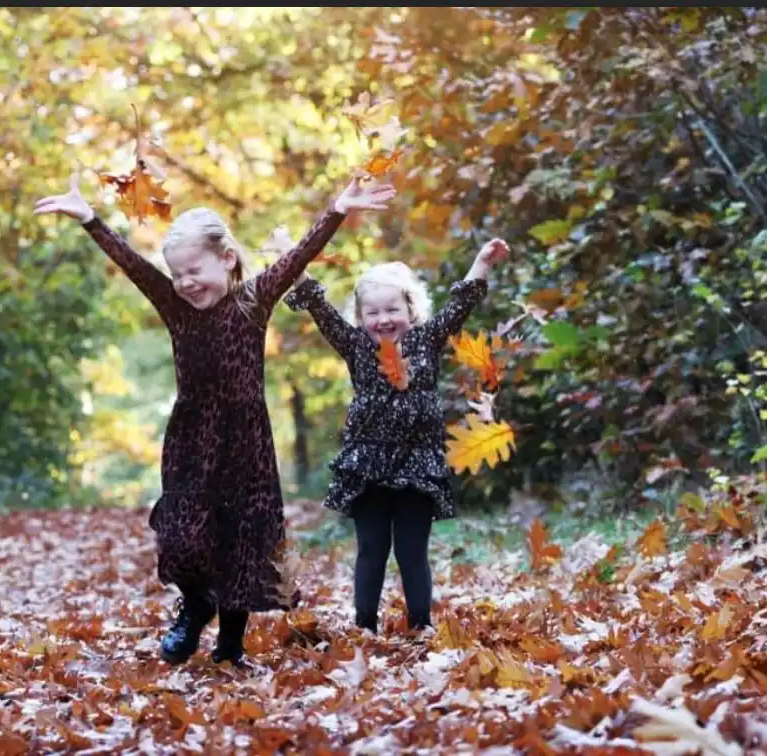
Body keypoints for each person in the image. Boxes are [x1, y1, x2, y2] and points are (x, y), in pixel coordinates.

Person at [33, 172, 395, 666]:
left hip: (245, 443)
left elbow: (296, 259)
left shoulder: (253, 302)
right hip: (191, 440)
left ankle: (230, 647)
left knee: (239, 540)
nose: (185, 283)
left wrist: (336, 211)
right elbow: (136, 268)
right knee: (182, 534)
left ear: (226, 259)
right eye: (178, 274)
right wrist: (92, 221)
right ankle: (196, 601)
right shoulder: (177, 311)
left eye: (193, 270)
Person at [282, 238, 509, 633]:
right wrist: (294, 258)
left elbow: (459, 308)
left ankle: (421, 624)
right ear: (360, 316)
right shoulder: (354, 345)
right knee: (371, 549)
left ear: (410, 309)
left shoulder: (425, 340)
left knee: (411, 551)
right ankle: (364, 625)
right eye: (372, 312)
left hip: (418, 463)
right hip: (367, 464)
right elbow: (319, 306)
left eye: (392, 309)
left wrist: (481, 263)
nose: (383, 319)